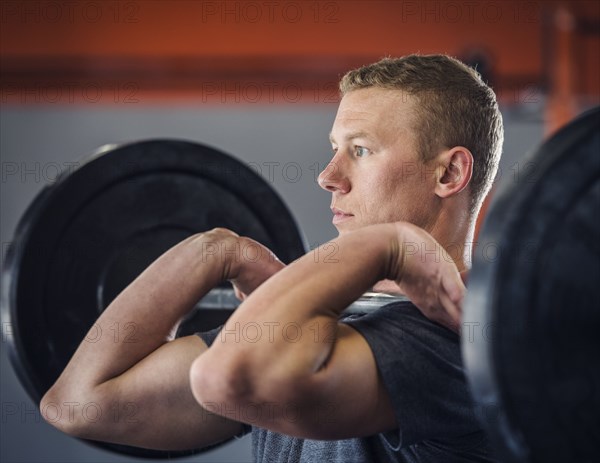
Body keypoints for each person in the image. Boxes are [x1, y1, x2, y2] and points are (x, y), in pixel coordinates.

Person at [40, 54, 503, 462]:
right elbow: (78, 405)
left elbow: (228, 377)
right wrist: (217, 249)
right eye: (334, 150)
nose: (328, 176)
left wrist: (391, 245)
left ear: (449, 173)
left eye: (360, 150)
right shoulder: (310, 331)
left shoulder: (455, 347)